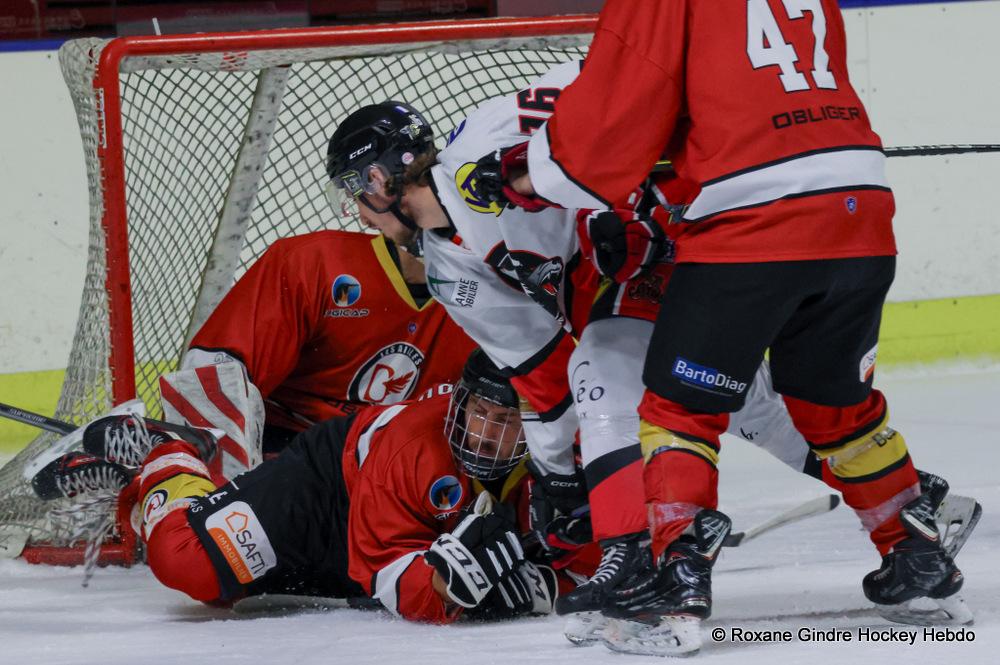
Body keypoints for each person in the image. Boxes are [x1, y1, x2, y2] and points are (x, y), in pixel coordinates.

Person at [473, 0, 969, 655]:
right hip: (861, 203)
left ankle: (673, 585)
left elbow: (612, 124)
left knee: (678, 406)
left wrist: (521, 174)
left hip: (756, 218)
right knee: (833, 402)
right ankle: (919, 559)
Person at [44, 349, 575, 623]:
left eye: (507, 420)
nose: (485, 433)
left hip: (378, 545)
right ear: (459, 400)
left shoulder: (561, 461)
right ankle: (168, 452)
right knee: (189, 563)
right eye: (479, 412)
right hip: (327, 490)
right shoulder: (414, 447)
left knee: (248, 590)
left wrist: (547, 588)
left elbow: (595, 560)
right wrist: (447, 590)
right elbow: (388, 570)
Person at [159, 228, 476, 480]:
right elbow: (210, 375)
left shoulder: (498, 301)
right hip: (292, 446)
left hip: (398, 463)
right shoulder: (311, 263)